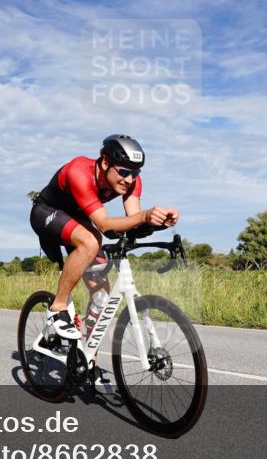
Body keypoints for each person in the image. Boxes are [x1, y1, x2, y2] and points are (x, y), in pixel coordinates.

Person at [29, 135, 179, 390]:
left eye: (135, 173)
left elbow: (132, 221)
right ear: (105, 162)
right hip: (47, 213)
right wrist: (144, 216)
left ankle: (88, 361)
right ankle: (58, 307)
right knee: (90, 242)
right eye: (123, 172)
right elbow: (106, 225)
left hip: (80, 219)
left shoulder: (130, 181)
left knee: (101, 297)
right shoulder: (80, 171)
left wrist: (156, 222)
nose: (129, 180)